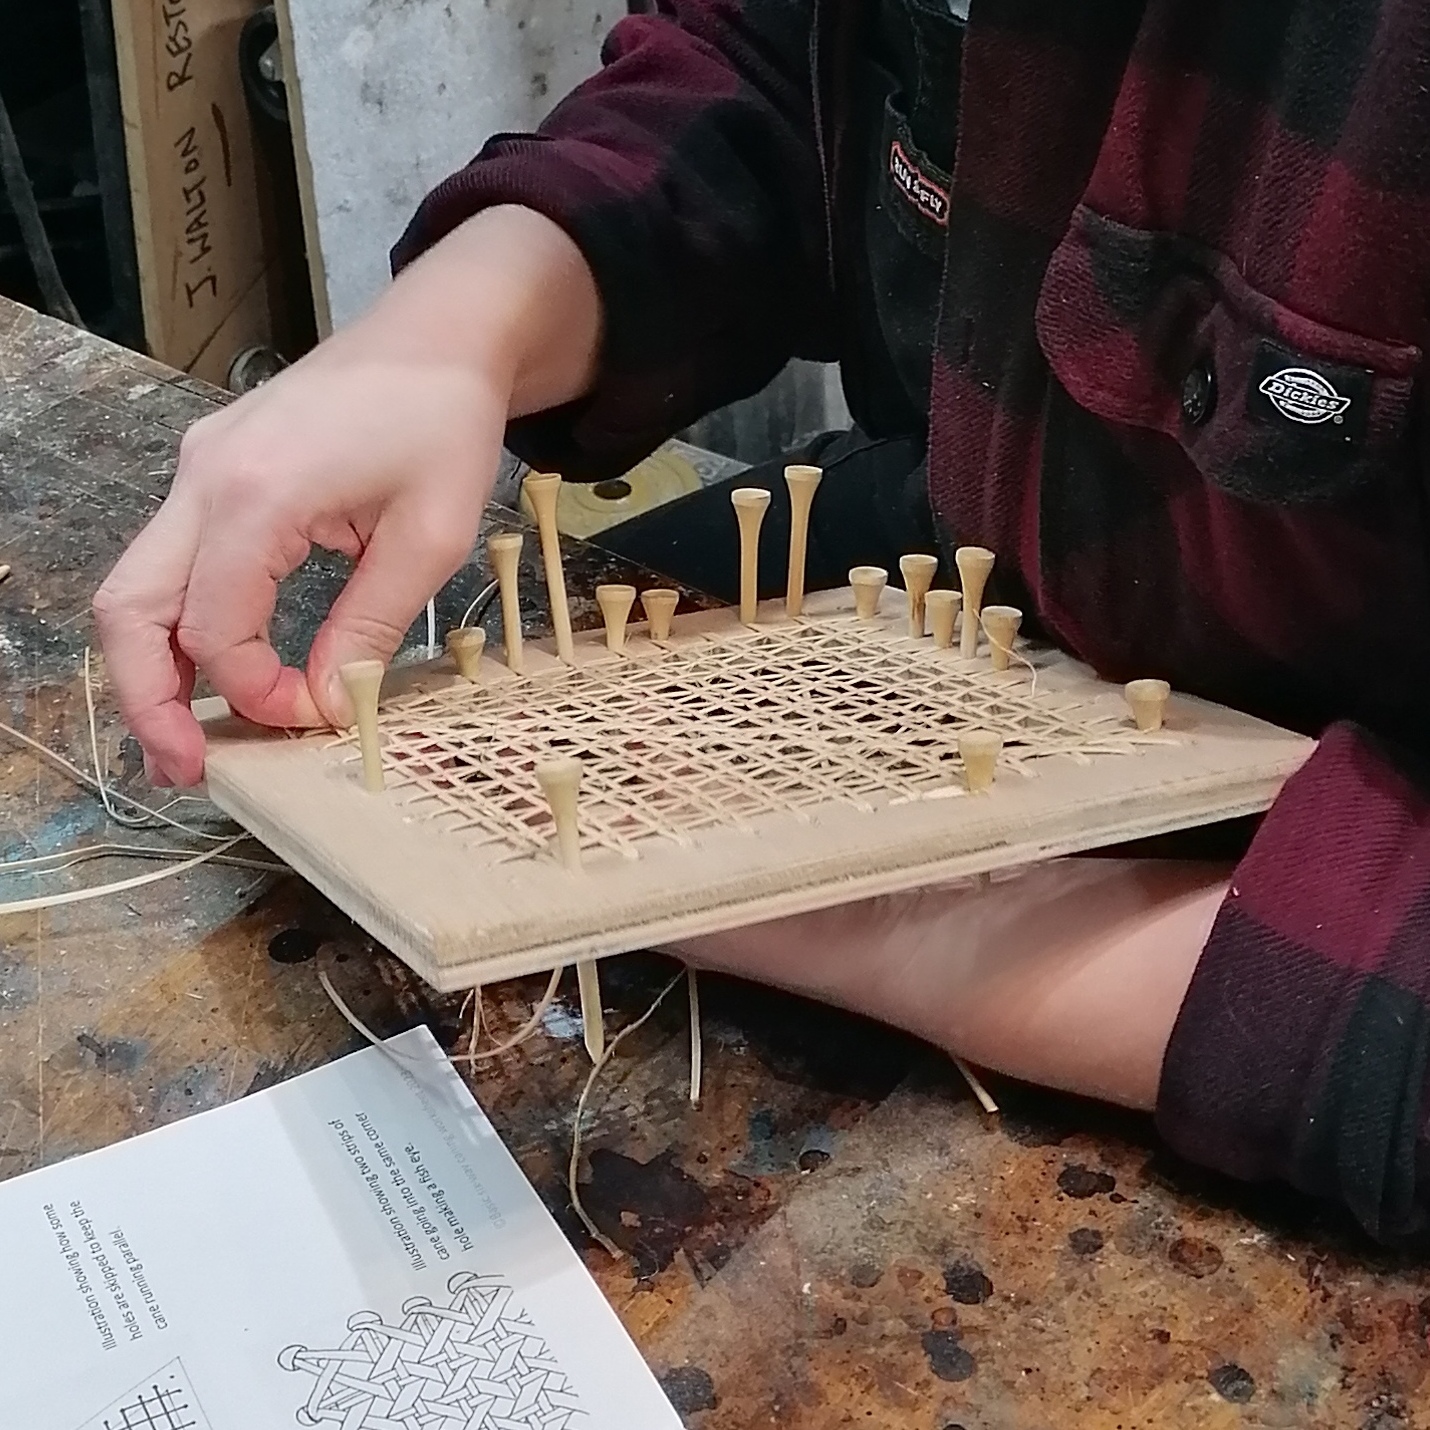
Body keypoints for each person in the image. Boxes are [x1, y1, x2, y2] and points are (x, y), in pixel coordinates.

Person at [92, 1, 1430, 1247]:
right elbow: (778, 62)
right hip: (978, 588)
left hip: (1311, 874)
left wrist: (930, 924)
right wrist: (462, 323)